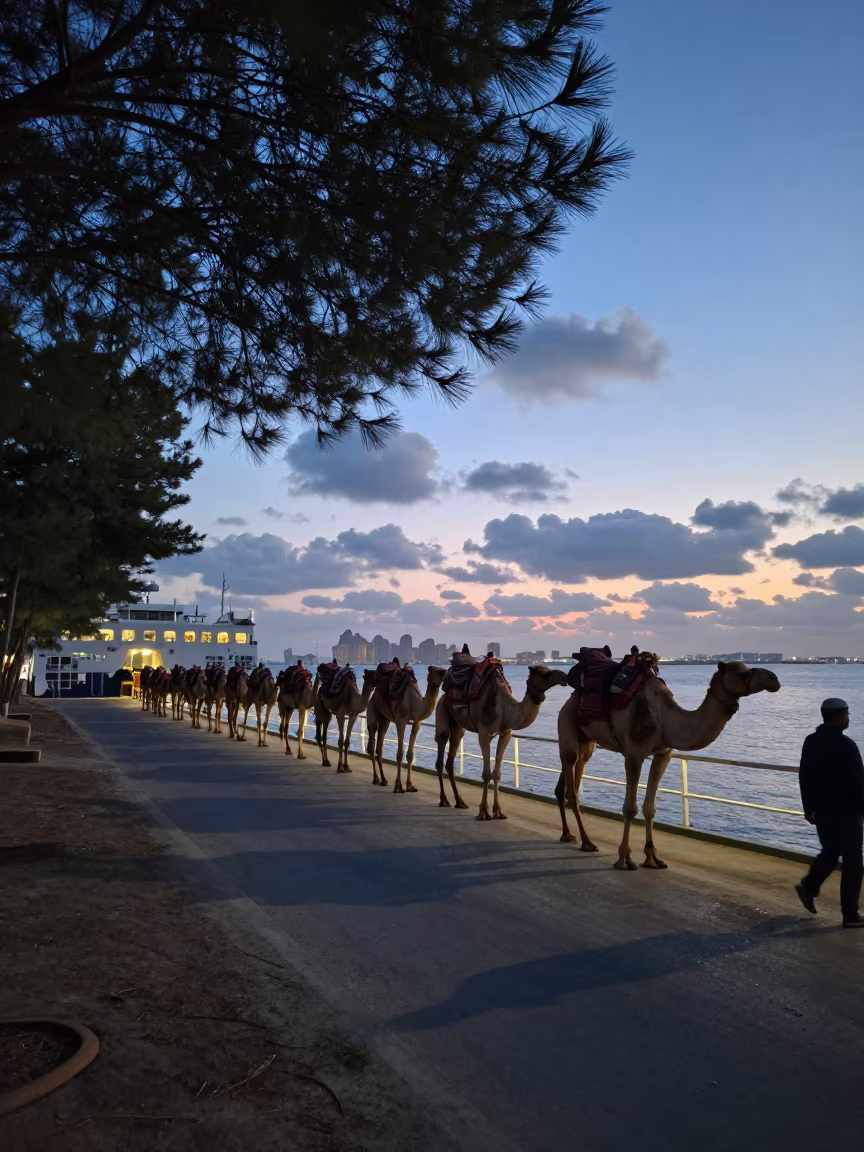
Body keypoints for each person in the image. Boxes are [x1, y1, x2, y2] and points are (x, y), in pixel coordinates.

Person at [795, 697, 864, 927]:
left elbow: (804, 775)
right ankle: (850, 915)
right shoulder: (847, 746)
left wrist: (808, 807)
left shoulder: (811, 741)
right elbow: (858, 784)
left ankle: (810, 886)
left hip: (822, 811)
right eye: (847, 715)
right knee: (853, 863)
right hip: (848, 813)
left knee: (831, 852)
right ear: (840, 717)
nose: (848, 719)